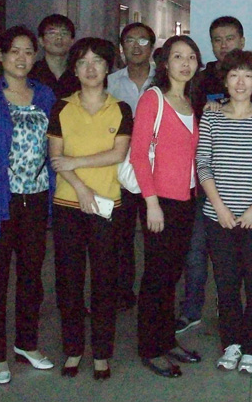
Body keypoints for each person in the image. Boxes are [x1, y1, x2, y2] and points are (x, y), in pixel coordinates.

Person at [0, 26, 57, 384]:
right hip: (0, 202)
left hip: (37, 199)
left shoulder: (45, 94)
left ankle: (26, 344)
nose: (22, 58)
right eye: (14, 51)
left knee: (31, 278)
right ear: (1, 56)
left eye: (28, 51)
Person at [176, 16, 252, 334]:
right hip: (211, 190)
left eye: (229, 38)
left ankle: (248, 336)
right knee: (203, 256)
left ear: (241, 40)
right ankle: (198, 312)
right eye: (217, 39)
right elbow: (197, 125)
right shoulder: (202, 79)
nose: (223, 44)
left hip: (251, 194)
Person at [47, 37, 133, 381]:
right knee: (69, 280)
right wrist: (81, 188)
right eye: (83, 62)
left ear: (108, 67)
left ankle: (101, 353)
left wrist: (76, 162)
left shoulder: (121, 109)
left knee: (104, 280)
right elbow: (56, 159)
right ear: (75, 69)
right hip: (68, 204)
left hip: (107, 207)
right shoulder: (61, 108)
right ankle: (73, 349)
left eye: (97, 61)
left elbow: (118, 154)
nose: (90, 68)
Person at [196, 50, 252, 374]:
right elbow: (203, 164)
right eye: (234, 75)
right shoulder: (211, 117)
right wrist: (219, 208)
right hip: (218, 217)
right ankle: (231, 343)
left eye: (247, 75)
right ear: (225, 81)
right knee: (226, 284)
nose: (240, 82)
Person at [132, 36, 204, 378]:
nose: (185, 63)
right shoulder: (153, 99)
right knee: (157, 276)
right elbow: (138, 154)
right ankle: (150, 347)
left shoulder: (190, 101)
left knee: (172, 273)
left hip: (186, 200)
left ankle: (166, 339)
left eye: (191, 57)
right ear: (165, 63)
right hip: (159, 201)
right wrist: (151, 203)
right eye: (178, 56)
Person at [107, 22, 157, 312]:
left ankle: (153, 292)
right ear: (121, 47)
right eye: (129, 40)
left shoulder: (164, 80)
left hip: (156, 171)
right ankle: (123, 291)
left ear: (152, 46)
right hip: (121, 172)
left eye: (143, 40)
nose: (136, 46)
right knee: (120, 235)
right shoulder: (110, 82)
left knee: (155, 234)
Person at [30, 14, 79, 99]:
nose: (59, 37)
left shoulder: (79, 73)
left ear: (72, 41)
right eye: (52, 33)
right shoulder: (31, 73)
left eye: (64, 33)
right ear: (41, 41)